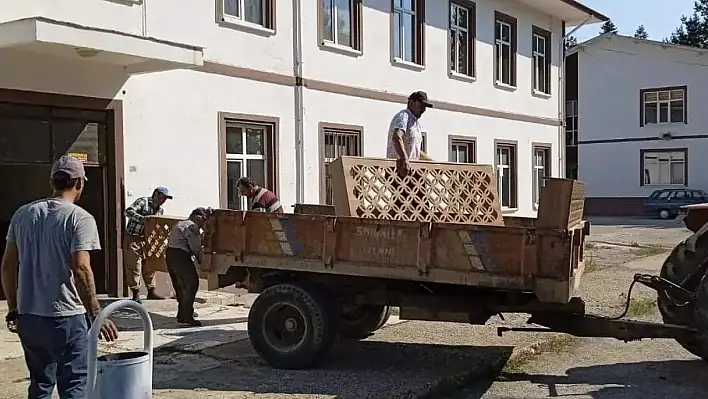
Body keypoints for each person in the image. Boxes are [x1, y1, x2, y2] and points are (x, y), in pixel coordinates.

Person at [1, 155, 119, 399]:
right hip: (66, 317)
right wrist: (96, 313)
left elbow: (8, 266)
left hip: (30, 316)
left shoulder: (23, 214)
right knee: (75, 384)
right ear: (79, 183)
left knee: (40, 385)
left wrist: (14, 308)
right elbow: (81, 269)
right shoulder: (79, 218)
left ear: (52, 181)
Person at [124, 186, 173, 303]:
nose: (164, 200)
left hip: (148, 240)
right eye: (163, 197)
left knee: (150, 265)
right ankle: (135, 293)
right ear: (156, 194)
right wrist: (142, 219)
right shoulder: (143, 202)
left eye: (166, 198)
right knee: (134, 265)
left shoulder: (160, 210)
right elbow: (128, 211)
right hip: (133, 238)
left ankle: (151, 291)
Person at [165, 207, 209, 327]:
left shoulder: (180, 223)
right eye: (204, 220)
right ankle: (186, 316)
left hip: (170, 255)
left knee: (180, 285)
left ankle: (183, 313)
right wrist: (201, 261)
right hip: (181, 256)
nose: (203, 224)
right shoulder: (192, 227)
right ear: (198, 218)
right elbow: (195, 247)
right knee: (191, 283)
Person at [387, 90, 434, 177]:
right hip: (400, 170)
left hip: (412, 170)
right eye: (421, 105)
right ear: (412, 103)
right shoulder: (404, 116)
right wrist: (405, 159)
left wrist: (433, 163)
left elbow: (414, 149)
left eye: (425, 106)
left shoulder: (415, 123)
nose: (423, 109)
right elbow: (396, 137)